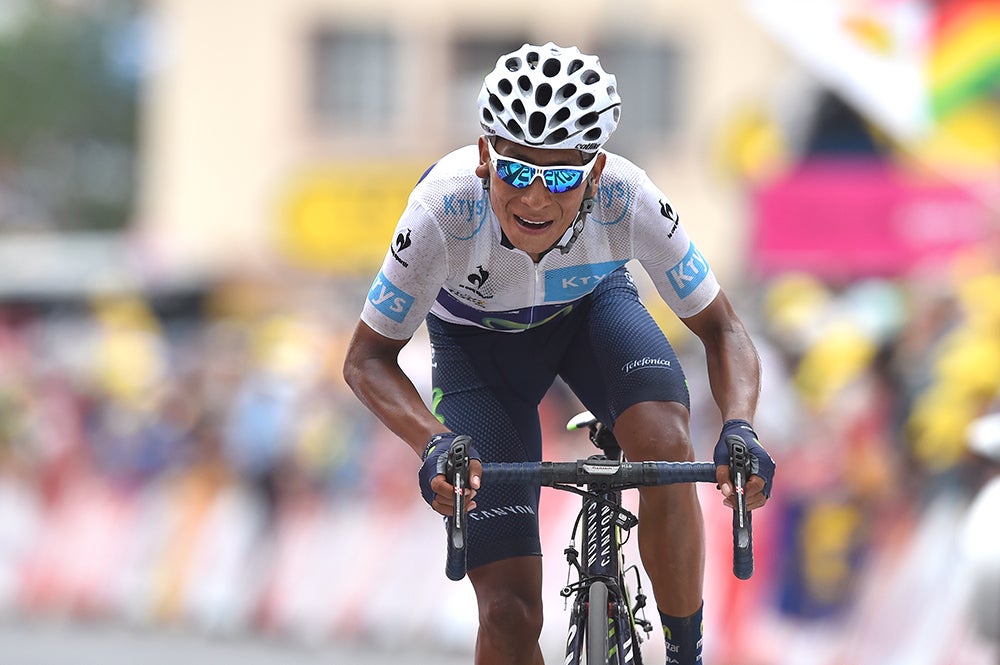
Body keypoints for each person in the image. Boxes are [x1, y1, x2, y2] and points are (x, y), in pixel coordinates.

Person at [343, 42, 775, 665]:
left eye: (562, 177)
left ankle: (686, 652)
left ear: (596, 171)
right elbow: (366, 359)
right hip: (478, 354)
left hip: (591, 316)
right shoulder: (442, 209)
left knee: (664, 438)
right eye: (517, 171)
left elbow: (723, 329)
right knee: (507, 613)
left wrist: (739, 429)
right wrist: (431, 441)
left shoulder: (629, 198)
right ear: (488, 156)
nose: (535, 200)